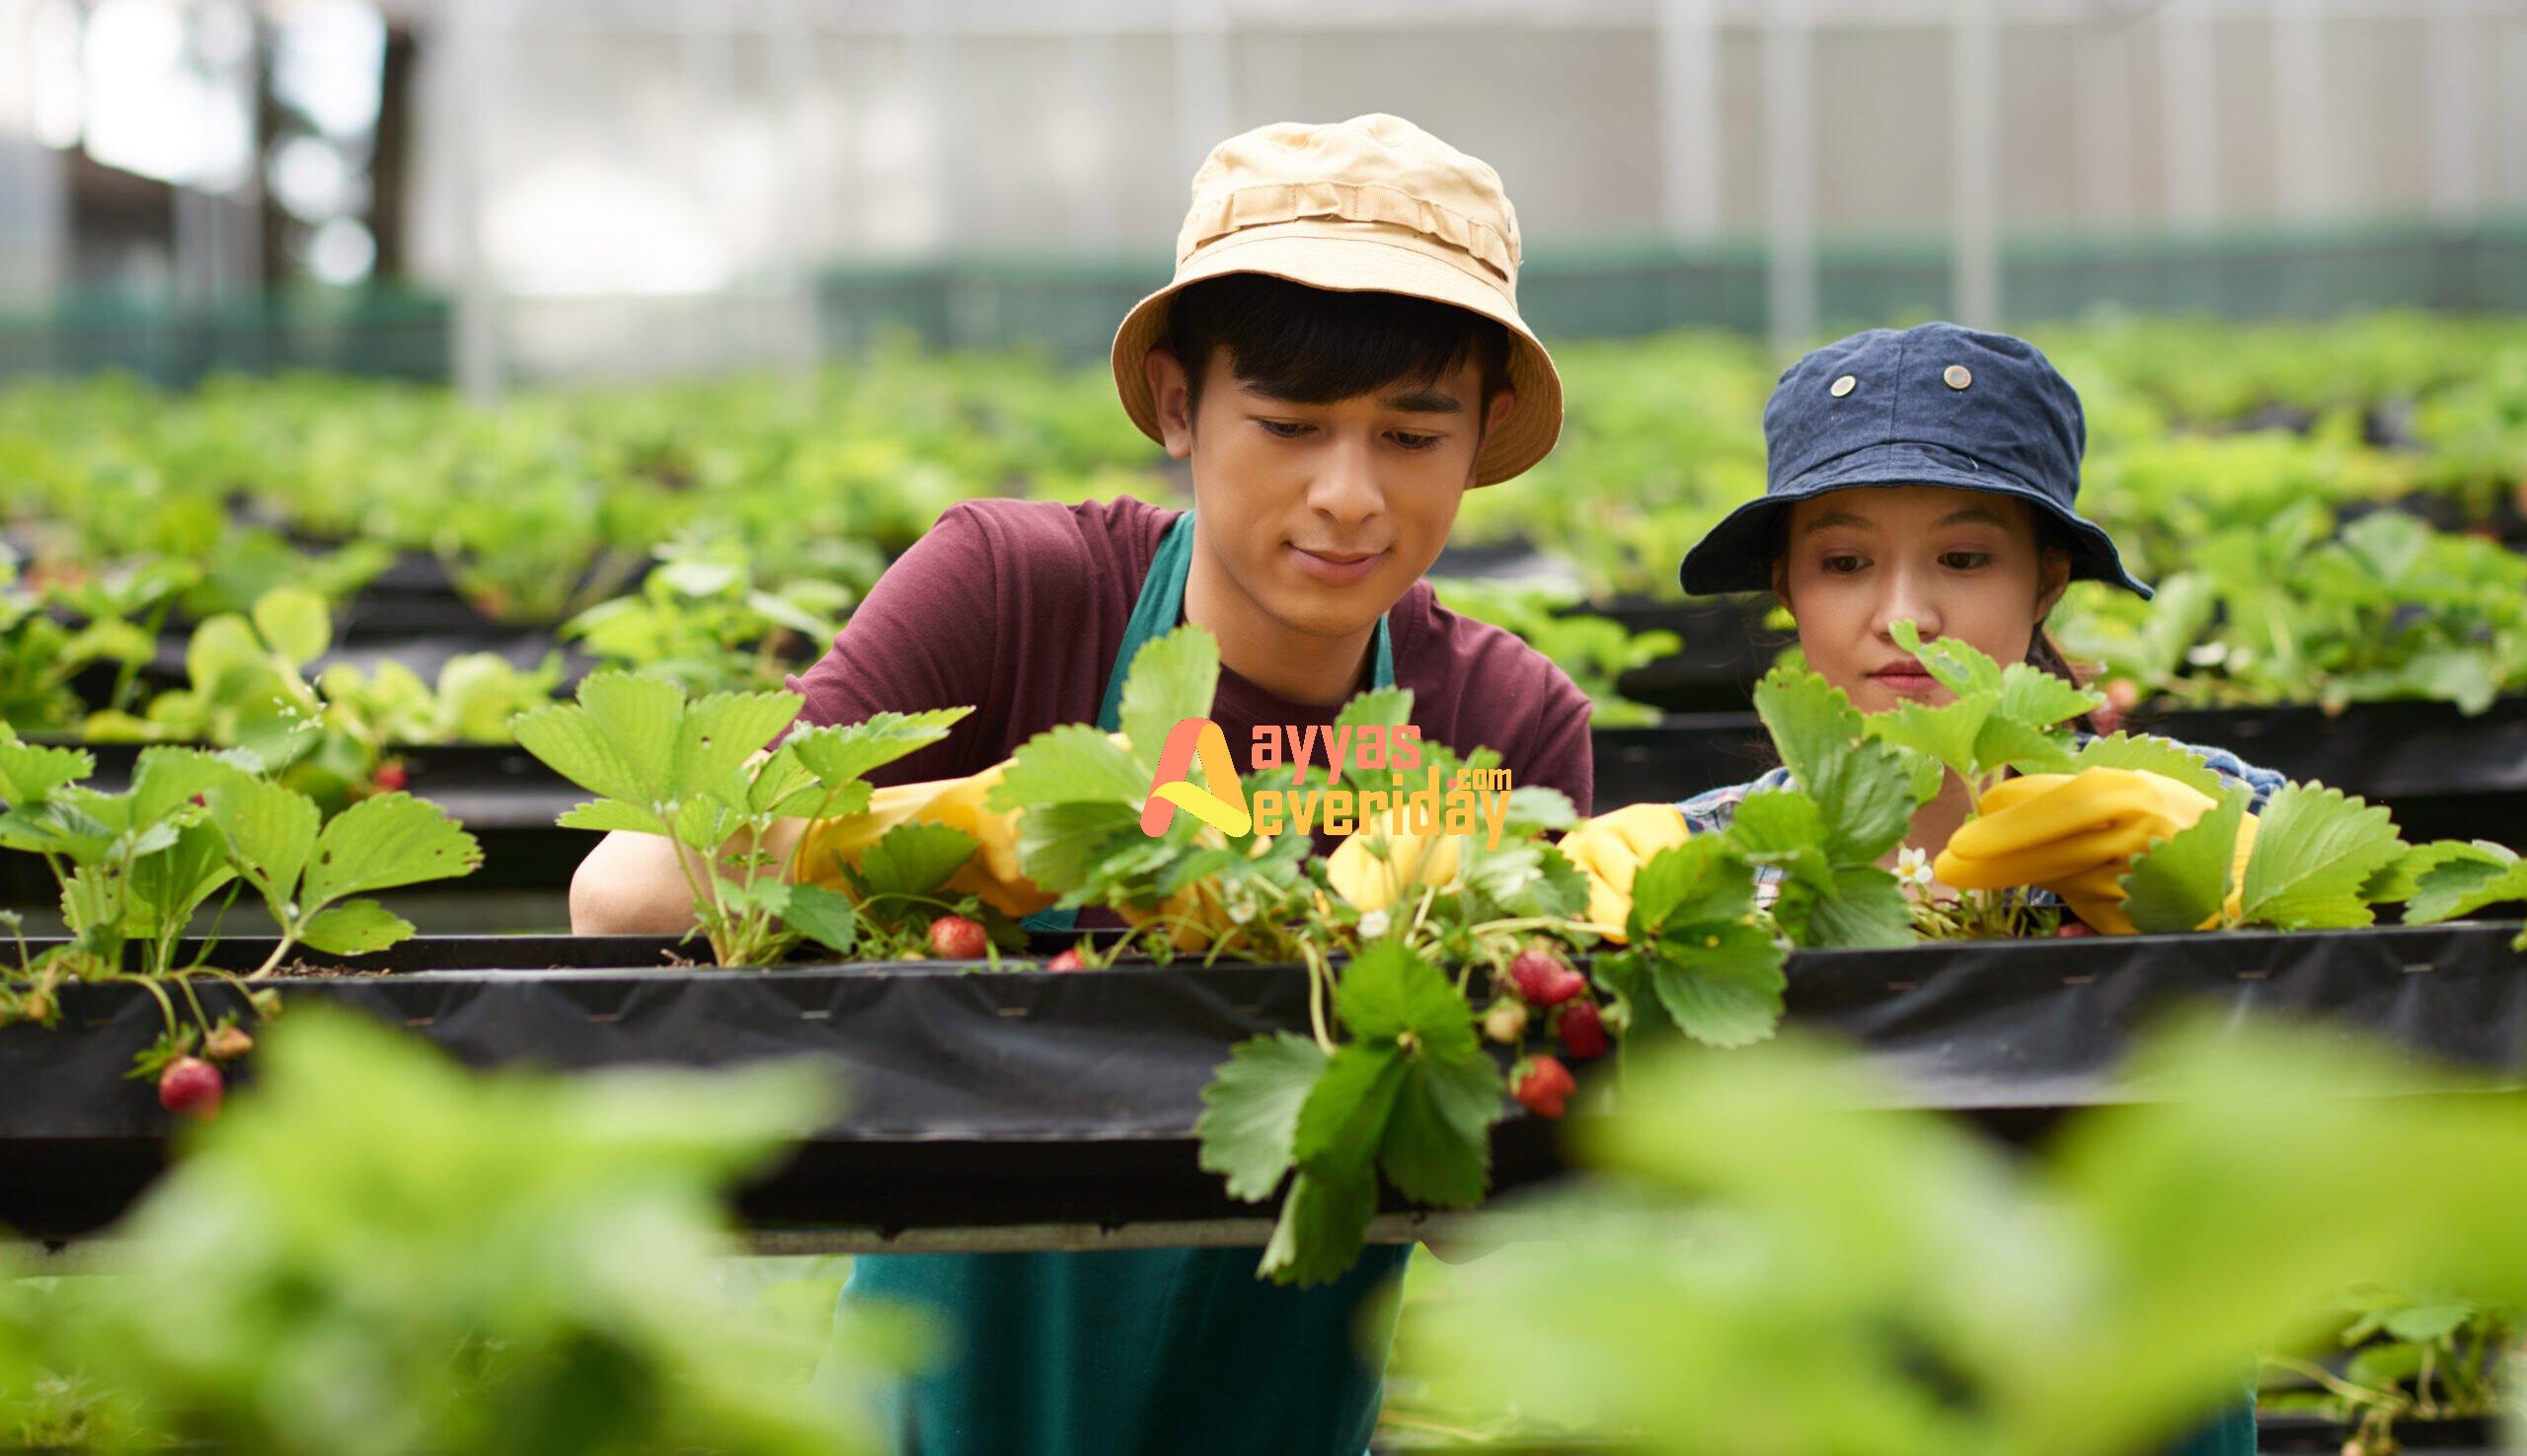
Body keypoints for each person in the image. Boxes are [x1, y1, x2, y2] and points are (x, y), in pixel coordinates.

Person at [571, 114, 1593, 1455]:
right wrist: (958, 823)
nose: (1348, 493)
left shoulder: (1497, 720)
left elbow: (1508, 1217)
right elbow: (624, 894)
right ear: (1179, 402)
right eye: (1288, 424)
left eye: (1410, 434)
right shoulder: (1012, 592)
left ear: (1485, 431)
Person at [1560, 322, 2274, 1456]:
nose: (1904, 614)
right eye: (1843, 563)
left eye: (1963, 558)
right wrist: (1550, 898)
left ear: (2045, 577)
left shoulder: (2184, 807)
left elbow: (2421, 968)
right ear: (1787, 587)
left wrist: (2247, 889)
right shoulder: (1716, 856)